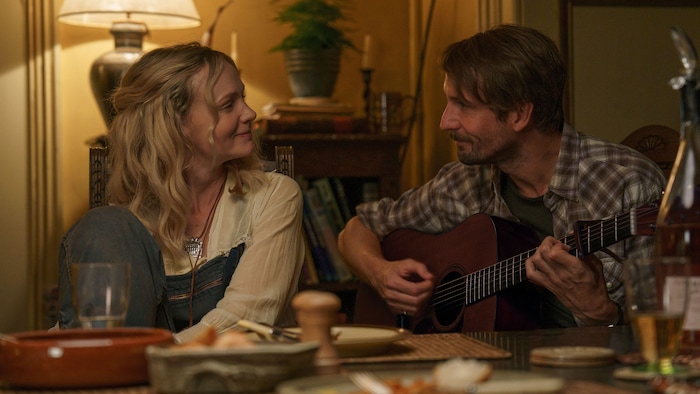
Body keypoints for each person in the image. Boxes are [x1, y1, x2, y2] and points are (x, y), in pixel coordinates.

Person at [338, 24, 666, 329]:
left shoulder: (628, 183)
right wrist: (381, 274)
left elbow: (671, 338)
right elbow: (357, 229)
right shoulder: (460, 183)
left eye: (462, 105)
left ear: (520, 114)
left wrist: (601, 315)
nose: (445, 122)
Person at [56, 42, 305, 343]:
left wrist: (151, 356)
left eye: (243, 98)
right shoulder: (125, 224)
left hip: (237, 374)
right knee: (105, 224)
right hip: (141, 384)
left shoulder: (274, 196)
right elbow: (88, 325)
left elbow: (245, 317)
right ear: (176, 124)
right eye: (228, 105)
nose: (250, 113)